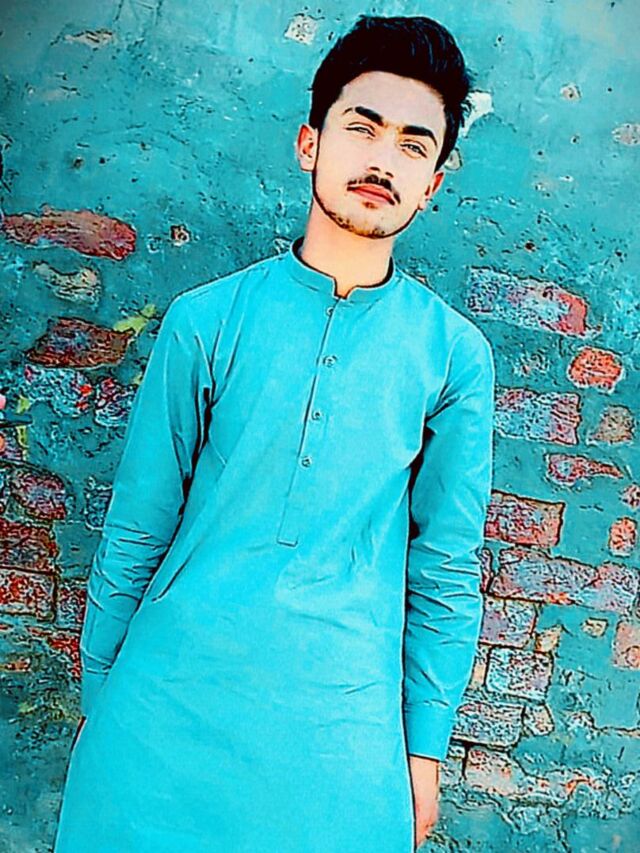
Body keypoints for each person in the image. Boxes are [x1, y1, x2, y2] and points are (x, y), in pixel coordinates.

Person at [53, 13, 495, 853]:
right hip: (158, 726)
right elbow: (136, 527)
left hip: (340, 750)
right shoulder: (205, 321)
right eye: (362, 127)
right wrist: (99, 703)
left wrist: (424, 753)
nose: (383, 160)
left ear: (433, 183)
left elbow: (445, 568)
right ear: (308, 143)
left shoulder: (453, 357)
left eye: (413, 144)